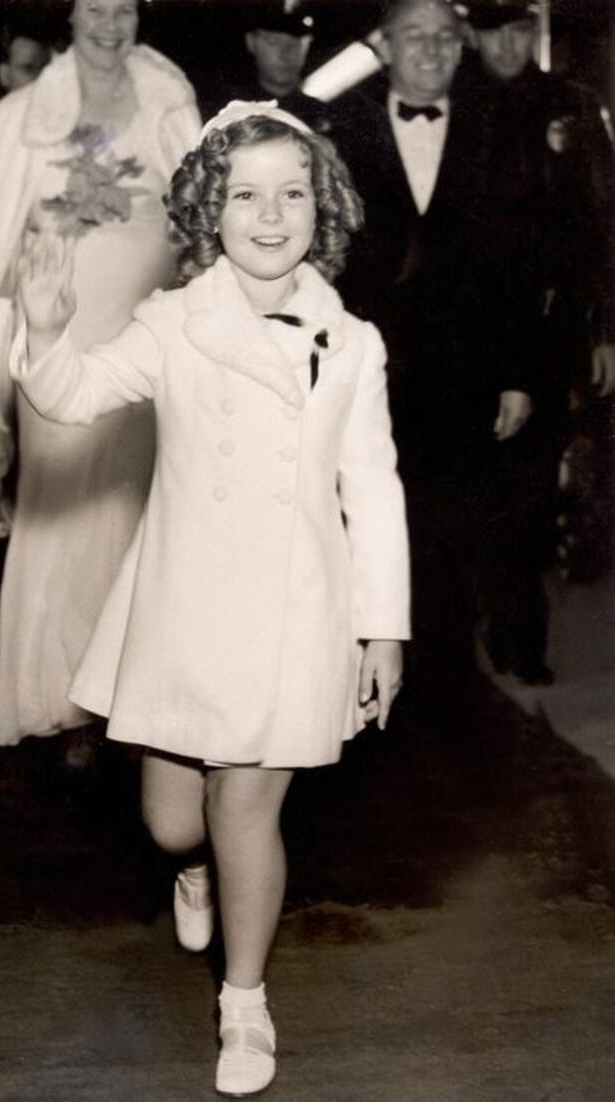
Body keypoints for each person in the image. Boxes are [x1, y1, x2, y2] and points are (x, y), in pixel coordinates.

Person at [10, 102, 410, 1096]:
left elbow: (373, 489)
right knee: (173, 825)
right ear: (206, 209)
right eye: (242, 196)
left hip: (293, 613)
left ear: (320, 208)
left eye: (289, 195)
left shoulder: (350, 344)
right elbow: (70, 395)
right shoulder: (173, 324)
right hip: (185, 611)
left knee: (246, 806)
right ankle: (191, 874)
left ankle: (243, 1004)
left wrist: (381, 627)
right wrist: (46, 327)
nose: (267, 218)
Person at [0, 0, 200, 751]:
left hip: (146, 334)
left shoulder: (170, 101)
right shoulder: (18, 117)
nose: (110, 24)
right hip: (57, 333)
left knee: (134, 507)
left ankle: (127, 690)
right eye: (94, 8)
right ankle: (50, 689)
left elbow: (199, 218)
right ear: (70, 17)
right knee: (62, 501)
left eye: (123, 8)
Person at [332, 0, 538, 710]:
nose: (430, 51)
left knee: (455, 525)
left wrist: (516, 374)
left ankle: (445, 685)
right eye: (413, 37)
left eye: (444, 38)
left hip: (466, 369)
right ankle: (363, 667)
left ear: (462, 48)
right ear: (384, 47)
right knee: (365, 515)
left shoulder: (495, 126)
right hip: (367, 363)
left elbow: (519, 259)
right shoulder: (341, 124)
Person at [455, 0, 615, 674]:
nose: (509, 43)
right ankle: (476, 621)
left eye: (520, 28)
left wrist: (604, 328)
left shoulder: (570, 106)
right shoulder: (450, 104)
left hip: (548, 324)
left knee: (535, 485)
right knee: (474, 483)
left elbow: (602, 226)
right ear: (472, 34)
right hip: (466, 329)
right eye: (494, 30)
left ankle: (524, 634)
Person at [208, 2, 332, 135]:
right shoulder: (228, 113)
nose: (284, 53)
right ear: (251, 42)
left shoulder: (325, 116)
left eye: (293, 44)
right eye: (273, 42)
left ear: (305, 48)